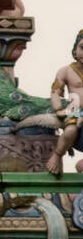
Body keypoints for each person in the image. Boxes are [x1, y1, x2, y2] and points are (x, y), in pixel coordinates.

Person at [46, 30, 83, 177]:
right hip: (74, 107)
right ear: (75, 50)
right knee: (71, 130)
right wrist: (58, 109)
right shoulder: (66, 71)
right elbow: (55, 91)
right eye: (82, 47)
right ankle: (57, 155)